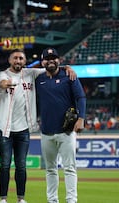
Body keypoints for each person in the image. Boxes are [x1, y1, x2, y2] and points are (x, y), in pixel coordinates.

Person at [0, 49, 77, 203]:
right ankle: (3, 199)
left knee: (21, 166)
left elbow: (52, 66)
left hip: (24, 128)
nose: (18, 61)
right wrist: (7, 84)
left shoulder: (31, 73)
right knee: (5, 164)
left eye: (21, 58)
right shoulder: (2, 74)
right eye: (15, 58)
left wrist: (67, 68)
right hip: (5, 128)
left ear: (25, 61)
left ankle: (21, 199)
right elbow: (2, 82)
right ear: (10, 61)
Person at [35, 47, 86, 203]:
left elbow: (81, 97)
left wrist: (81, 118)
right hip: (46, 132)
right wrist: (65, 66)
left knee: (69, 168)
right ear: (42, 61)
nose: (51, 60)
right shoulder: (38, 78)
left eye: (54, 58)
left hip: (66, 132)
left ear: (59, 60)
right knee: (50, 169)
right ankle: (52, 200)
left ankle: (71, 200)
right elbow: (24, 71)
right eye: (47, 58)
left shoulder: (69, 76)